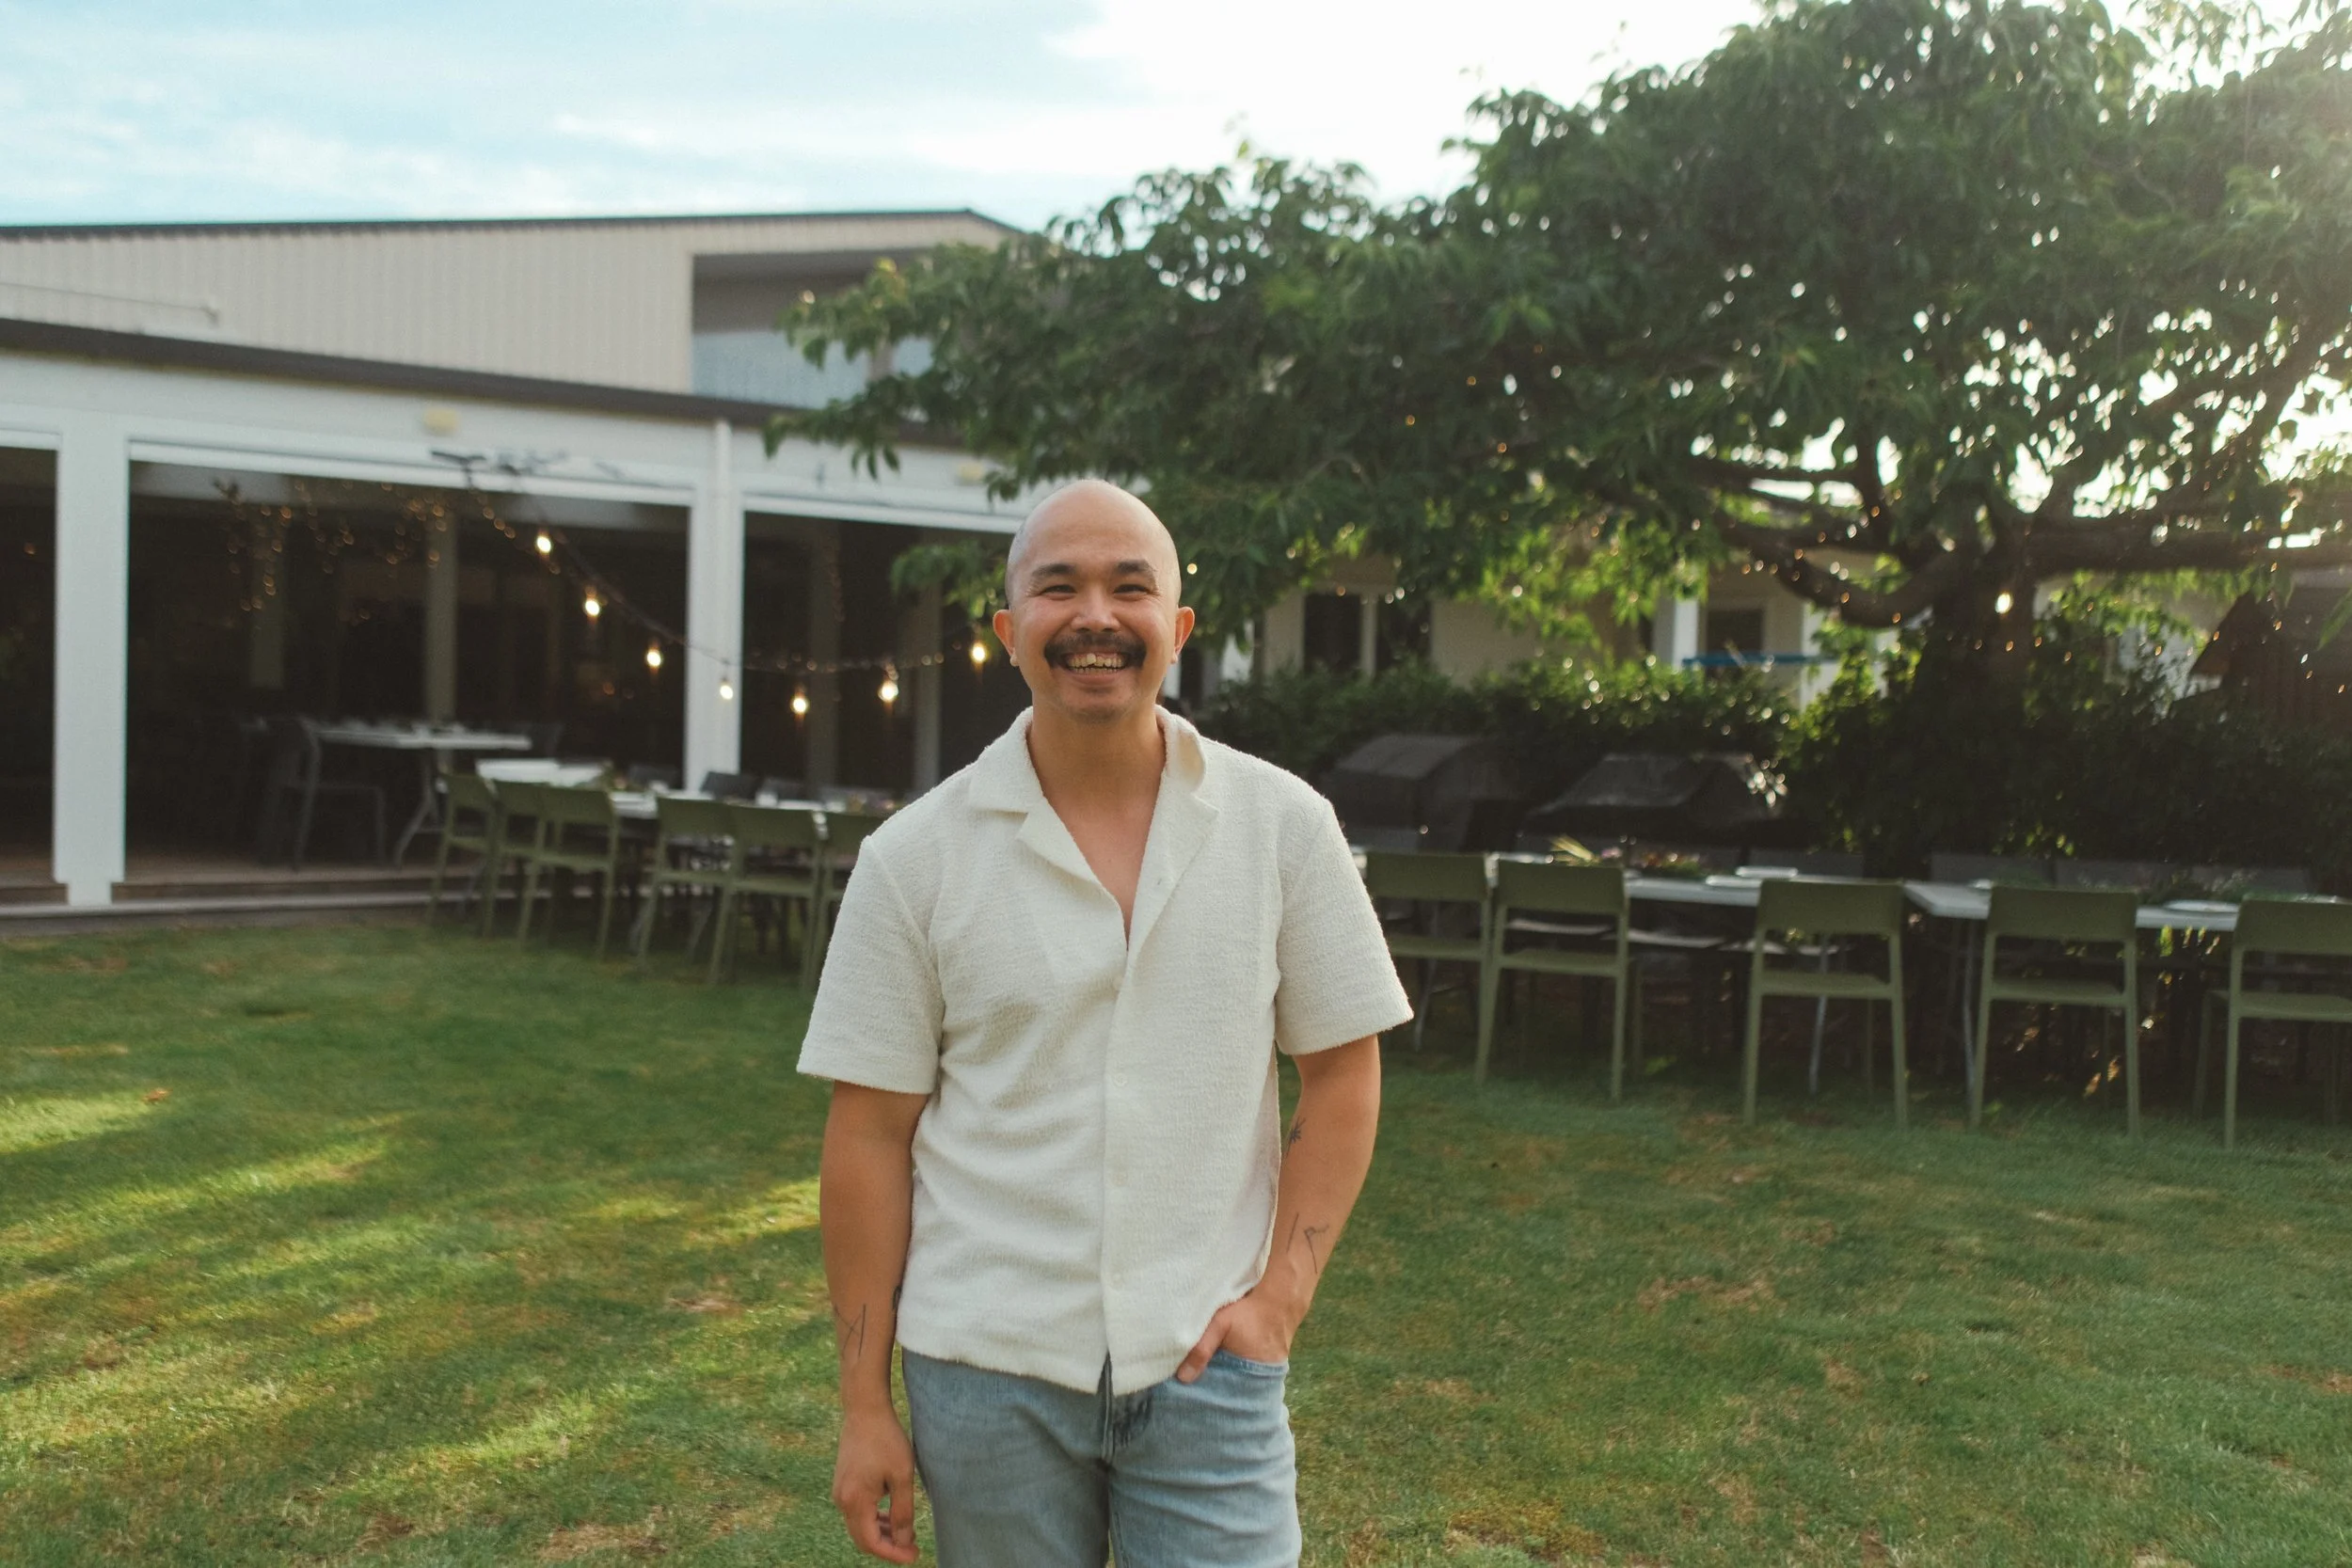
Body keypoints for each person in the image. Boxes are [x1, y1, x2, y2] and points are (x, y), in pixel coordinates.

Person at [800, 479, 1410, 1567]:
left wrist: (1279, 1299)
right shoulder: (915, 858)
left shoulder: (1283, 827)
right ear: (1007, 631)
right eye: (1058, 587)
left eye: (1130, 587)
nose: (1095, 616)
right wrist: (863, 1401)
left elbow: (1344, 1073)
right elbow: (867, 1134)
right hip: (984, 1373)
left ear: (1176, 627)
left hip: (1208, 1364)